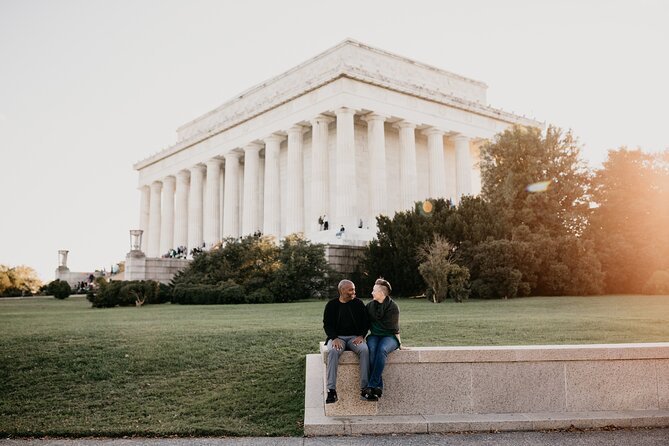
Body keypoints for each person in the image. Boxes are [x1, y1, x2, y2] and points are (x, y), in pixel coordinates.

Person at [322, 279, 370, 404]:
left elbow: (366, 322)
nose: (354, 292)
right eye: (350, 290)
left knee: (364, 350)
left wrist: (361, 335)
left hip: (355, 338)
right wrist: (334, 338)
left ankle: (364, 389)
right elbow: (327, 324)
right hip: (338, 338)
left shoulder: (358, 303)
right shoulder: (331, 305)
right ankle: (331, 391)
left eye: (354, 289)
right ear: (342, 290)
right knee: (333, 351)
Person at [364, 277, 400, 401]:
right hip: (374, 336)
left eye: (374, 290)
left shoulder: (393, 307)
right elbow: (365, 325)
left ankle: (371, 385)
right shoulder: (369, 306)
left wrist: (400, 344)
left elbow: (395, 329)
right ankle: (378, 387)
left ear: (381, 293)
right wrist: (360, 337)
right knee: (371, 349)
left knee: (382, 349)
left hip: (390, 337)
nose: (372, 292)